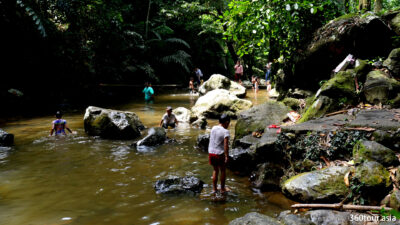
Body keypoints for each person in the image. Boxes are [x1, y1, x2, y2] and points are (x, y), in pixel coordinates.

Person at [208, 114, 230, 194]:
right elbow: (226, 145)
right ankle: (222, 189)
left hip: (211, 152)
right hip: (219, 154)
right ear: (227, 122)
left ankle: (214, 189)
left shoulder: (213, 128)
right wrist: (227, 156)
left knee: (215, 170)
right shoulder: (225, 131)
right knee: (223, 170)